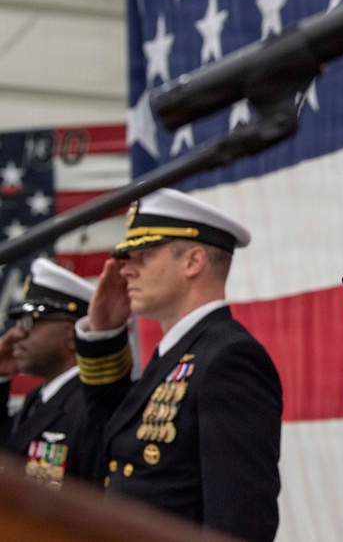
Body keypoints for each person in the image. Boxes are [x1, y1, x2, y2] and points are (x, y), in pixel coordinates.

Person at [75, 188, 282, 542]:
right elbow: (110, 436)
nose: (126, 270)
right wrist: (105, 336)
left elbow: (240, 519)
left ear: (192, 261)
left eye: (143, 255)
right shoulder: (175, 355)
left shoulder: (228, 358)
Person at [0, 258, 101, 487]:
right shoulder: (39, 398)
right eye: (19, 323)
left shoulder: (89, 405)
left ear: (72, 335)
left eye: (30, 322)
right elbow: (8, 454)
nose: (17, 334)